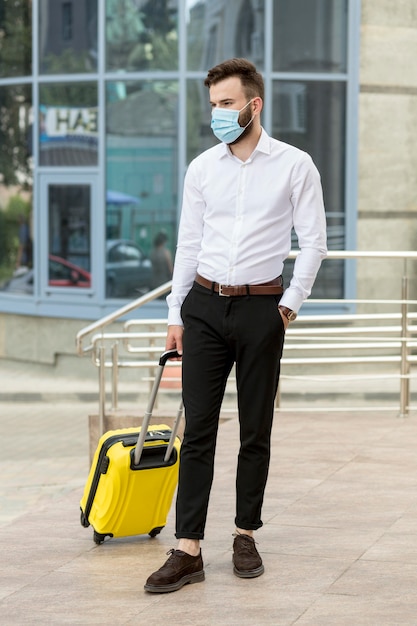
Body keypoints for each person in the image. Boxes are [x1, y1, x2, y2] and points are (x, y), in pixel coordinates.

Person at [144, 58, 327, 593]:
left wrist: (288, 306)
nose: (218, 114)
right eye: (213, 106)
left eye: (226, 104)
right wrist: (175, 314)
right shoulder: (202, 169)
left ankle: (245, 534)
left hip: (260, 310)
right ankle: (188, 549)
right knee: (198, 429)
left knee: (255, 429)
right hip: (202, 306)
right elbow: (188, 245)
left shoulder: (296, 166)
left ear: (254, 104)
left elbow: (313, 243)